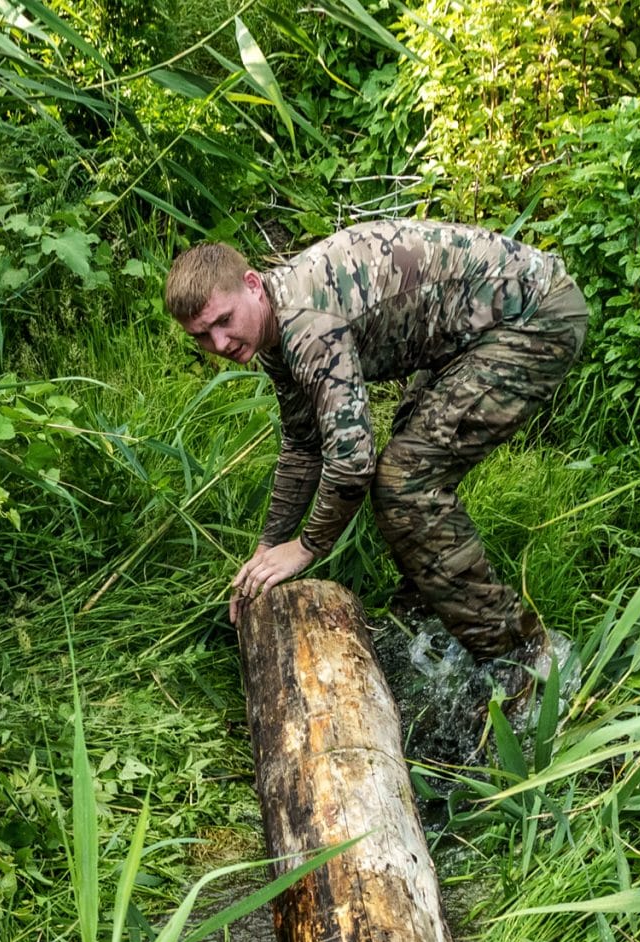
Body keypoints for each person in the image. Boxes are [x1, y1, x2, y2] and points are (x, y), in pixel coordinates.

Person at [165, 219, 588, 687]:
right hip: (476, 327)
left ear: (251, 286)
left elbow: (352, 462)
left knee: (404, 482)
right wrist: (269, 547)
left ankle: (518, 661)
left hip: (534, 317)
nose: (220, 344)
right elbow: (304, 443)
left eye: (224, 321)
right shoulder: (272, 332)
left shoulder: (307, 325)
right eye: (202, 336)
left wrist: (307, 548)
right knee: (410, 460)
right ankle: (428, 622)